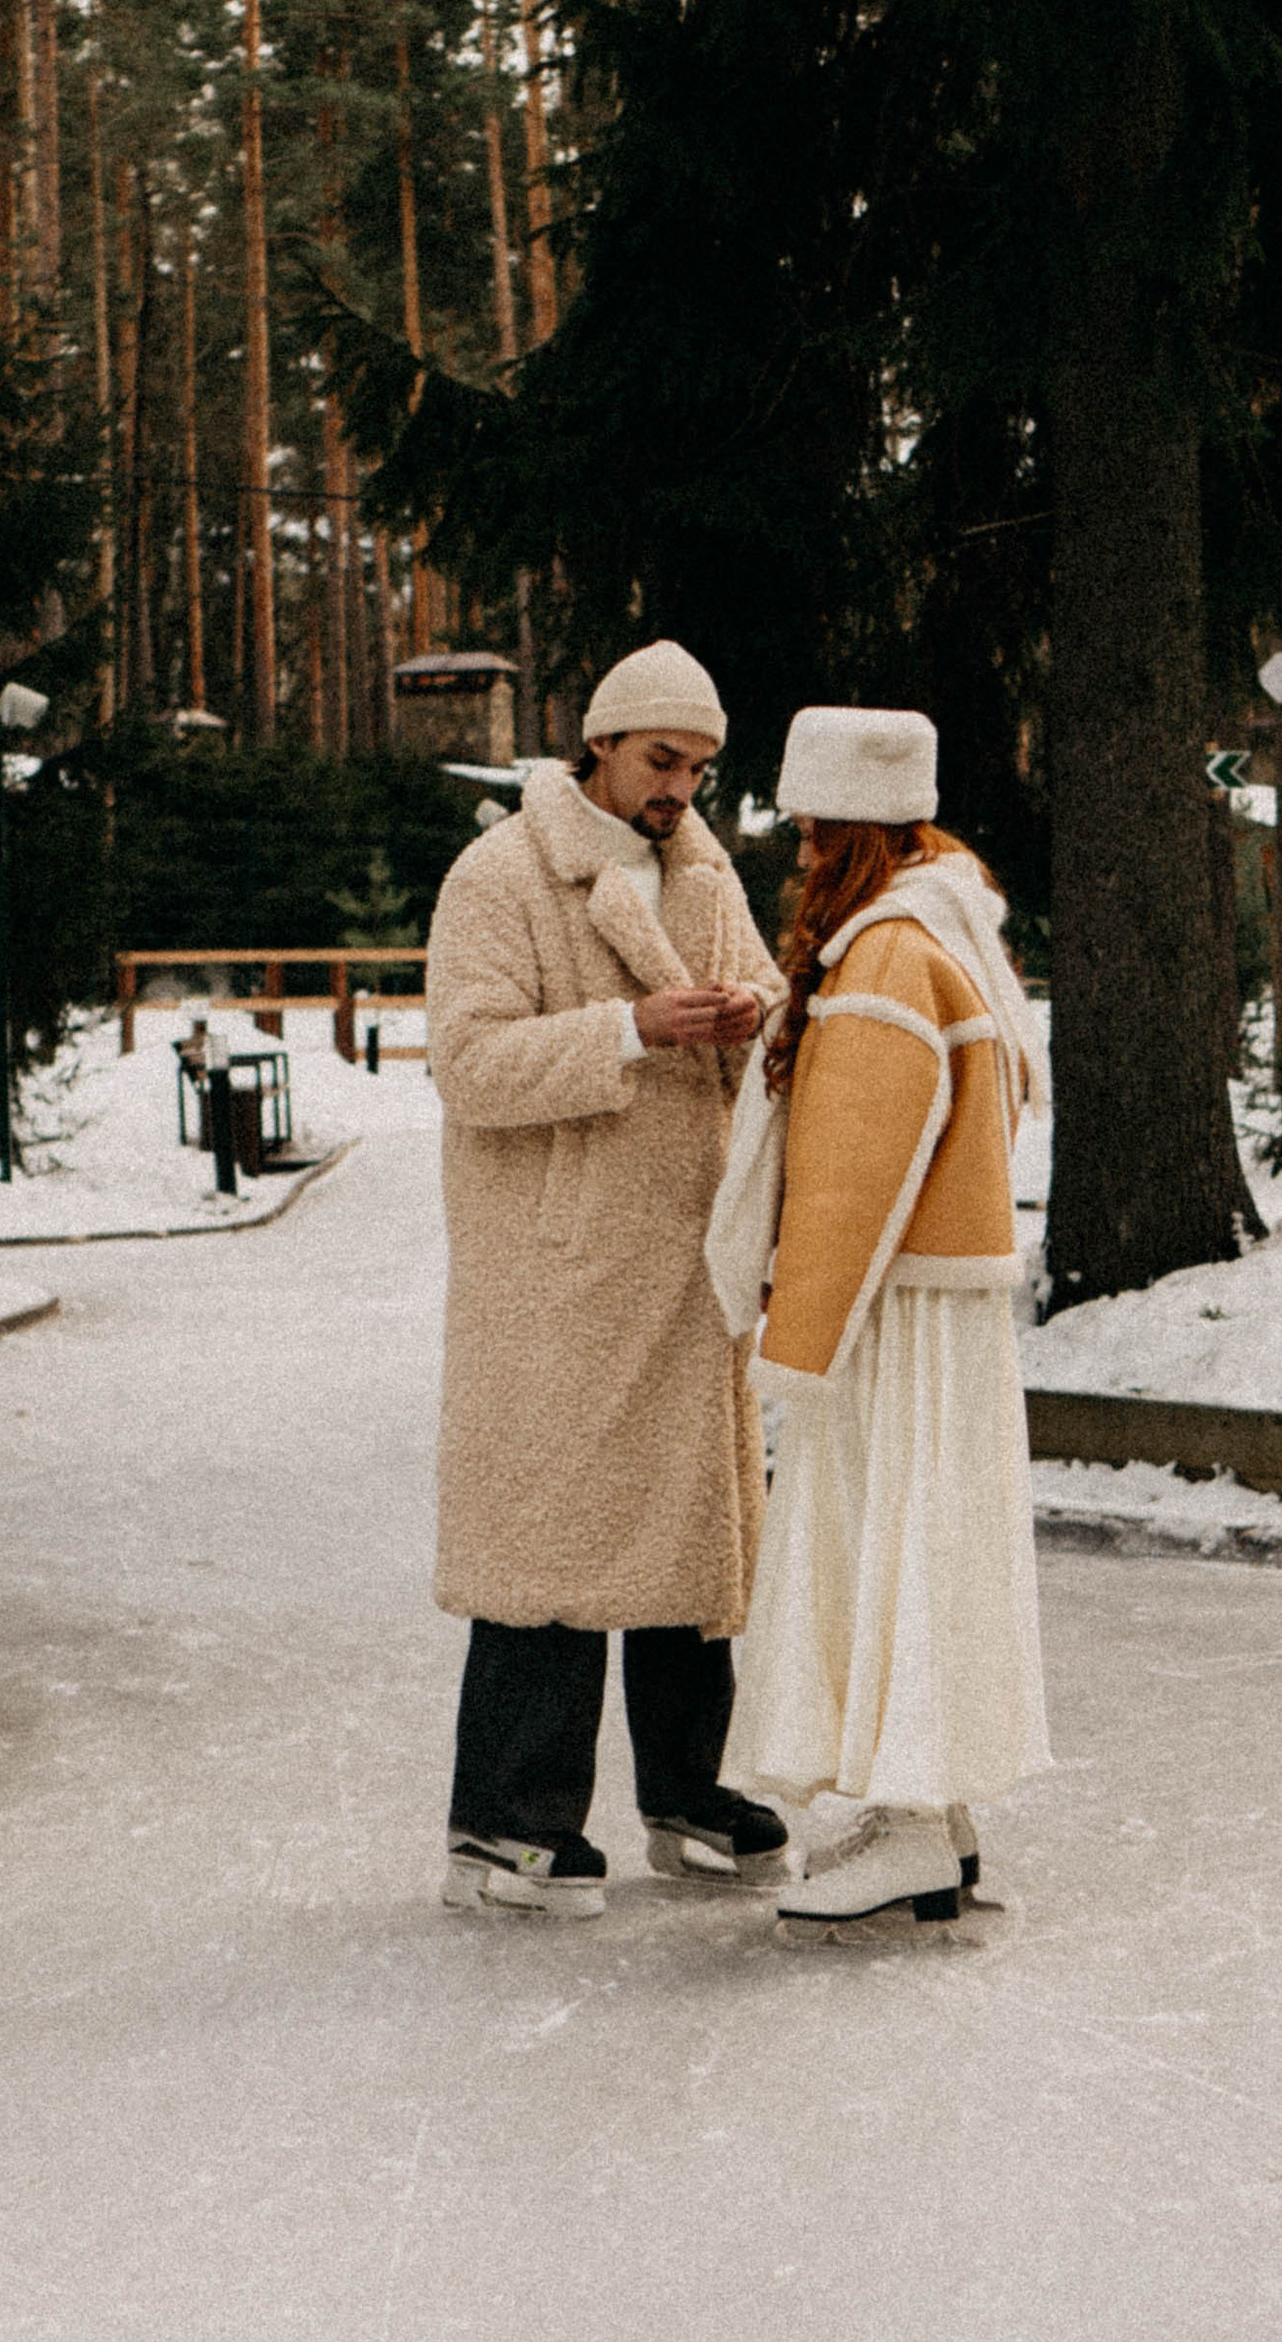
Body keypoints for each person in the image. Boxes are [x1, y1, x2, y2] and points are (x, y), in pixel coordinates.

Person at [427, 638, 791, 1919]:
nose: (679, 787)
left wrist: (756, 1014)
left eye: (698, 766)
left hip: (689, 1266)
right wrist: (628, 1029)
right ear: (599, 744)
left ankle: (687, 1791)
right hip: (558, 1274)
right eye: (659, 758)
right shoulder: (500, 875)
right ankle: (505, 1821)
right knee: (553, 1540)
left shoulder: (703, 876)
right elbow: (467, 1065)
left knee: (694, 1536)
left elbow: (766, 989)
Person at [707, 704, 1050, 1934]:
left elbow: (854, 1172)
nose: (799, 858)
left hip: (888, 1315)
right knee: (933, 1544)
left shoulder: (887, 957)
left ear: (853, 832)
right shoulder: (948, 935)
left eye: (810, 833)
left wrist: (791, 1341)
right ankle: (936, 1817)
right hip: (934, 1312)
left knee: (881, 1545)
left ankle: (909, 1827)